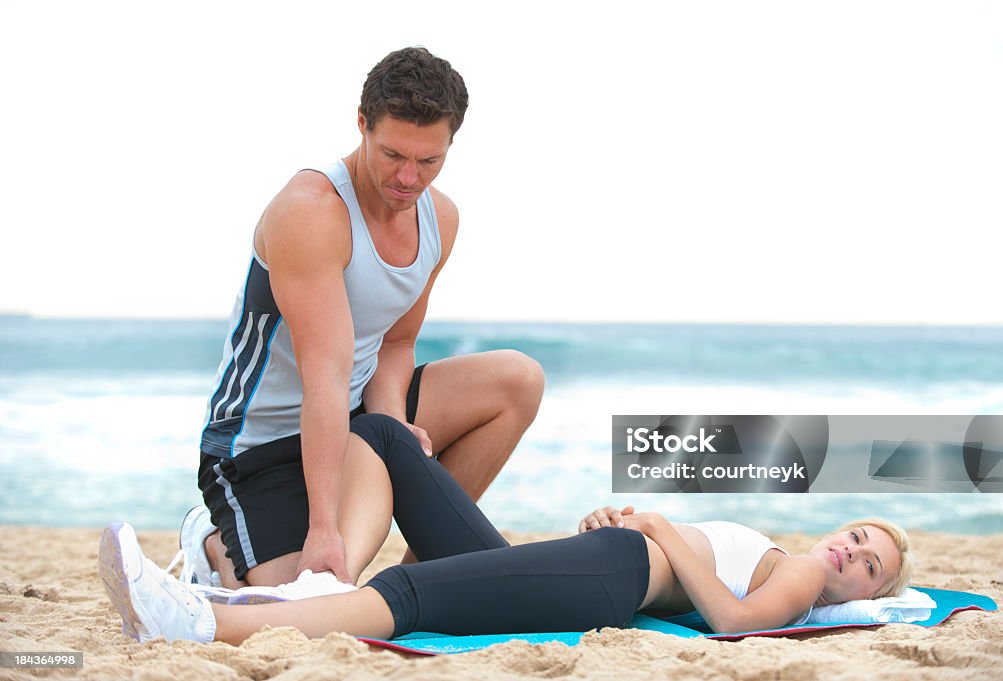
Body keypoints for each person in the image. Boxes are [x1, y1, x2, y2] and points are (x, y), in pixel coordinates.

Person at [184, 47, 544, 592]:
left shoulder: (439, 218)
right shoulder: (311, 211)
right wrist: (324, 528)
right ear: (362, 124)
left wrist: (394, 427)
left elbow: (396, 344)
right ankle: (212, 543)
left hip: (355, 418)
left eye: (429, 161)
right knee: (303, 597)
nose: (408, 177)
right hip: (260, 444)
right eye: (393, 154)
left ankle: (420, 573)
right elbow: (324, 373)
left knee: (517, 379)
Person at [100, 414, 914, 645]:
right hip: (605, 565)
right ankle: (303, 580)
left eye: (871, 564)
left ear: (868, 590)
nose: (852, 549)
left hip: (611, 577)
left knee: (410, 591)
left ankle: (207, 621)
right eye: (857, 533)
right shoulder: (786, 558)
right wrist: (632, 526)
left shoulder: (804, 577)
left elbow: (734, 621)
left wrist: (660, 525)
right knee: (383, 435)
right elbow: (706, 598)